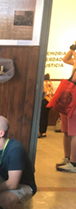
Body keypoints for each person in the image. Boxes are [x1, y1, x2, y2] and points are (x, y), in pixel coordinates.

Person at [56, 42, 76, 172]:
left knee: (74, 131)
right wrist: (72, 48)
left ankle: (73, 163)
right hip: (70, 98)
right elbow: (65, 59)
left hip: (73, 97)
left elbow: (74, 79)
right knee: (67, 130)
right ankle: (67, 158)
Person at [38, 73, 54, 138]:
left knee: (42, 117)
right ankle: (44, 132)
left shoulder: (43, 83)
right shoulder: (50, 83)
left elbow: (44, 90)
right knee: (46, 116)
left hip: (44, 100)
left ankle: (41, 131)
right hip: (50, 101)